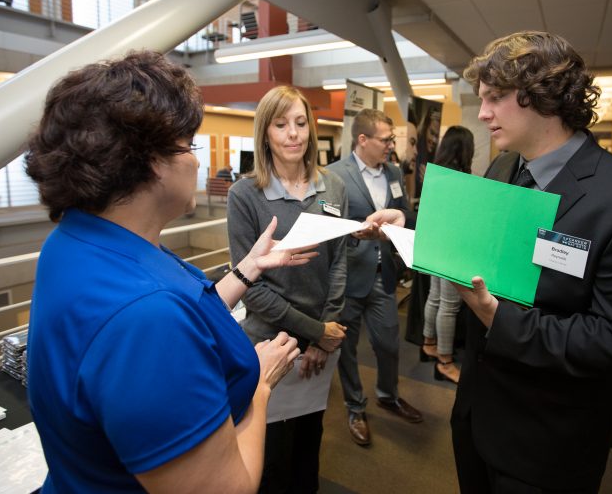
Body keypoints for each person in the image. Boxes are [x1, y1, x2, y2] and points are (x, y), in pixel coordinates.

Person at [24, 50, 317, 493]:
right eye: (189, 146)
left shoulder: (78, 242)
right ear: (153, 162)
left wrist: (247, 270)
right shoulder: (145, 320)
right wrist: (260, 384)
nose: (198, 162)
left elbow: (183, 309)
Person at [449, 31, 612, 492]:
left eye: (495, 98)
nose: (482, 113)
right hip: (477, 414)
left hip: (548, 441)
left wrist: (496, 316)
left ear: (543, 96)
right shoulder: (503, 168)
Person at [227, 85, 348, 493]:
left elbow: (339, 262)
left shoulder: (333, 188)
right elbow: (251, 288)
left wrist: (324, 332)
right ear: (265, 133)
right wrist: (315, 332)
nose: (293, 134)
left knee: (307, 454)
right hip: (269, 345)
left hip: (321, 344)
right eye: (281, 125)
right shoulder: (245, 195)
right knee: (271, 463)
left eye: (300, 123)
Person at [327, 109, 423, 447]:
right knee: (348, 349)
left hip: (384, 276)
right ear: (362, 140)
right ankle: (355, 407)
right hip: (350, 278)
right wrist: (355, 234)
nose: (391, 146)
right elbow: (329, 226)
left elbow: (402, 215)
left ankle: (388, 394)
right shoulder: (335, 175)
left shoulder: (394, 172)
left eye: (392, 140)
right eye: (386, 139)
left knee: (387, 343)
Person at [420, 125, 474, 384]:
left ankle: (429, 342)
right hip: (452, 247)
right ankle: (445, 361)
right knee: (450, 306)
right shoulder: (461, 178)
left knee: (436, 298)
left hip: (434, 243)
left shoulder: (435, 173)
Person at [413, 105, 441, 198]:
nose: (434, 140)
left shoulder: (436, 157)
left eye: (437, 135)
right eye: (432, 133)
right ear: (425, 129)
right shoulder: (417, 155)